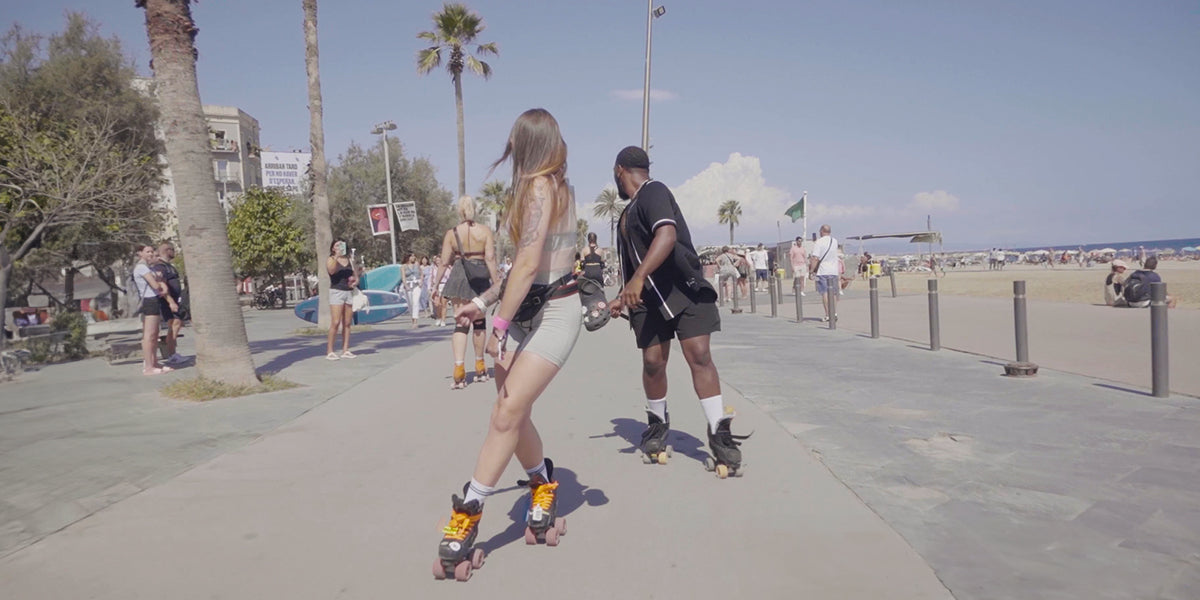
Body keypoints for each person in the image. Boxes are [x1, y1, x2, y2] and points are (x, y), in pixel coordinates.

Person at [433, 108, 582, 576]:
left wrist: (496, 325)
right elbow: (523, 266)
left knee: (505, 412)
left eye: (516, 142)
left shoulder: (542, 187)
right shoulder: (541, 187)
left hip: (555, 311)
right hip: (524, 309)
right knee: (512, 414)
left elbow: (529, 263)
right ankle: (542, 483)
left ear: (527, 144)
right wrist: (482, 303)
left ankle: (469, 510)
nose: (511, 150)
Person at [609, 144, 748, 477]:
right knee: (653, 362)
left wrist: (640, 277)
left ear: (619, 171)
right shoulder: (627, 214)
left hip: (683, 288)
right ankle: (657, 425)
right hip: (648, 299)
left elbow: (667, 234)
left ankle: (719, 433)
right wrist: (623, 293)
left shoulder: (653, 191)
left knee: (699, 355)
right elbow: (632, 265)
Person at [433, 195, 502, 389]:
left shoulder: (452, 233)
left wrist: (435, 286)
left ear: (459, 211)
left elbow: (444, 262)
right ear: (475, 209)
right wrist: (497, 284)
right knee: (479, 323)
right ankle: (480, 367)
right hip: (480, 276)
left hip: (459, 274)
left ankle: (459, 370)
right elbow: (490, 258)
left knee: (461, 324)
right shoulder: (485, 231)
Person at [132, 244, 177, 375]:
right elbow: (155, 285)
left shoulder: (147, 267)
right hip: (149, 300)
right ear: (140, 253)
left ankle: (155, 362)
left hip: (154, 300)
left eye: (152, 251)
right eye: (147, 252)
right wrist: (159, 281)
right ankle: (148, 366)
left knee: (155, 334)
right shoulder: (141, 267)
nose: (151, 254)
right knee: (149, 335)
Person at [151, 241, 186, 365]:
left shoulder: (168, 266)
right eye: (172, 249)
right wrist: (170, 301)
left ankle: (172, 352)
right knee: (174, 324)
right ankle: (171, 354)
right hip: (167, 302)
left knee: (176, 324)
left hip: (175, 300)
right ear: (167, 250)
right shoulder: (160, 266)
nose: (174, 252)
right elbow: (161, 285)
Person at [326, 239, 357, 360]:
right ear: (333, 248)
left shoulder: (349, 259)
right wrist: (336, 257)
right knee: (335, 322)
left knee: (347, 323)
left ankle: (346, 349)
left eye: (341, 245)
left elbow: (354, 275)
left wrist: (355, 281)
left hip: (348, 291)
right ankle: (330, 351)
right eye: (337, 245)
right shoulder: (331, 259)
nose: (339, 247)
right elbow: (331, 271)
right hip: (336, 291)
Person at [809, 224, 839, 322]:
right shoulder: (834, 241)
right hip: (834, 270)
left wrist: (811, 270)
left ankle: (827, 314)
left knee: (824, 292)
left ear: (822, 231)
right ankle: (834, 313)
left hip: (822, 271)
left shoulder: (819, 242)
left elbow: (815, 258)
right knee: (833, 293)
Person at [401, 253, 423, 328]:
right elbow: (403, 277)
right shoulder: (403, 266)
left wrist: (421, 281)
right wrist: (405, 285)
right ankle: (412, 318)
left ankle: (415, 321)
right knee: (410, 303)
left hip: (417, 285)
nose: (414, 257)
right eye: (412, 256)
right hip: (408, 285)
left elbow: (421, 273)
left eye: (414, 256)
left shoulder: (417, 264)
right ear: (408, 257)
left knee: (416, 302)